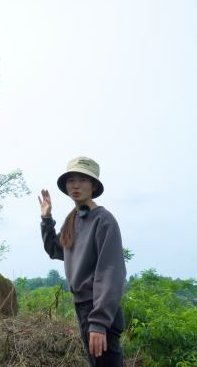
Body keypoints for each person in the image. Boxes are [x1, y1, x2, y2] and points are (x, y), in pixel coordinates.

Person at [38, 156, 126, 366]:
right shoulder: (73, 219)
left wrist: (98, 322)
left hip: (98, 309)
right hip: (83, 307)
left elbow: (111, 273)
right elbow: (55, 250)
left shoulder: (103, 220)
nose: (76, 185)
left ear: (94, 185)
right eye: (71, 180)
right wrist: (46, 219)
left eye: (83, 180)